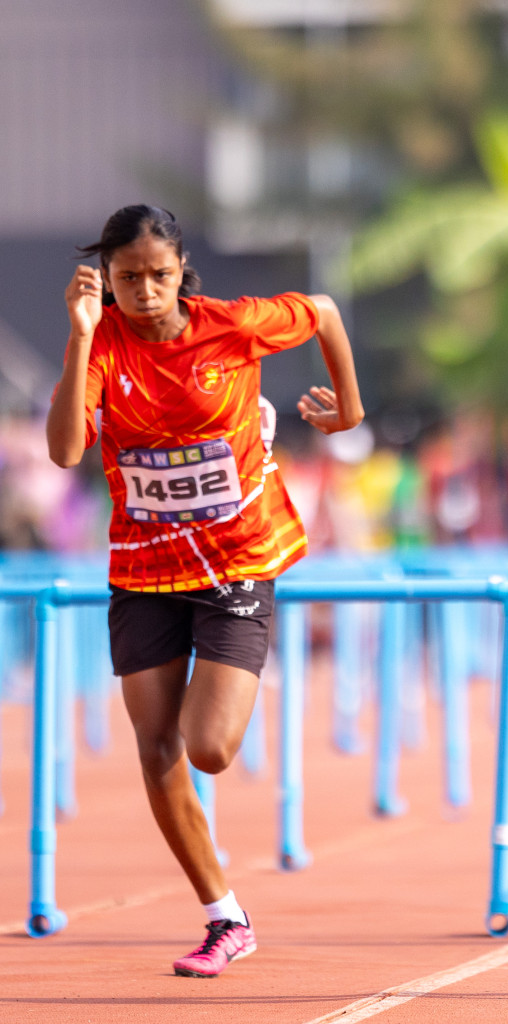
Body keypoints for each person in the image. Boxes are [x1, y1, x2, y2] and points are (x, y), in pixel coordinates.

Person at [45, 205, 364, 976]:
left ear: (180, 272)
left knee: (208, 748)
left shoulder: (232, 325)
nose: (144, 291)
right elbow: (63, 451)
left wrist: (348, 411)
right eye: (127, 279)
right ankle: (225, 916)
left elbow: (321, 310)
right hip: (144, 570)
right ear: (107, 281)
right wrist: (84, 332)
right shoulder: (103, 341)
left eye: (158, 276)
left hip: (234, 565)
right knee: (156, 750)